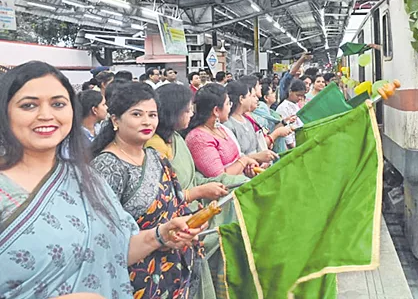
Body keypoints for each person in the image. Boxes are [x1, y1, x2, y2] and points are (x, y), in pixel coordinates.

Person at [0, 61, 201, 299]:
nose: (46, 115)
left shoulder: (87, 178)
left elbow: (117, 250)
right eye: (29, 105)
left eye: (58, 104)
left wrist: (159, 235)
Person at [91, 82, 206, 299]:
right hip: (136, 280)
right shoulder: (107, 167)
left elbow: (178, 205)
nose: (147, 122)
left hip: (173, 271)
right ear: (115, 120)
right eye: (137, 114)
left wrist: (191, 224)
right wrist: (159, 237)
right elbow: (103, 240)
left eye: (152, 115)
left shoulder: (156, 157)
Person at [146, 84, 240, 299]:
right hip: (173, 225)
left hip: (191, 216)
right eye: (187, 110)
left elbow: (191, 178)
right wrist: (197, 192)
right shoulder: (154, 147)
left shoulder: (177, 139)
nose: (191, 114)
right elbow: (163, 194)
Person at [185, 84, 258, 178]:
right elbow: (220, 177)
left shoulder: (221, 128)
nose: (230, 107)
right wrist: (244, 161)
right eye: (227, 104)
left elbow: (238, 158)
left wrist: (248, 166)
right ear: (216, 110)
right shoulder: (198, 138)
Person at [224, 81, 279, 164]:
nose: (255, 99)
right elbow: (235, 157)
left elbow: (257, 147)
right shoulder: (228, 125)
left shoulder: (247, 120)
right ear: (241, 99)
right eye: (250, 96)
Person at [252, 83, 295, 154]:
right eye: (272, 92)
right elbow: (270, 131)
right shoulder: (262, 109)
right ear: (266, 97)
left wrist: (285, 121)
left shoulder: (271, 112)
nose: (275, 94)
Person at [276, 79, 307, 149]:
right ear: (290, 91)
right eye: (298, 95)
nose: (300, 98)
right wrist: (292, 146)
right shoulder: (283, 107)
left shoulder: (295, 105)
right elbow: (285, 128)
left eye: (302, 96)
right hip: (289, 145)